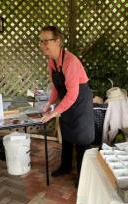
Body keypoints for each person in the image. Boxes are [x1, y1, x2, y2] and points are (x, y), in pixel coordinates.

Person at [39, 26, 95, 184]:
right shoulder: (52, 62)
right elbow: (56, 87)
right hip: (67, 101)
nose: (42, 45)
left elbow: (73, 93)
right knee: (68, 135)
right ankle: (65, 166)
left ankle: (83, 178)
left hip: (80, 102)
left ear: (57, 41)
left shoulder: (71, 62)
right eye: (40, 41)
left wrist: (55, 112)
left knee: (82, 139)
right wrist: (49, 104)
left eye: (45, 41)